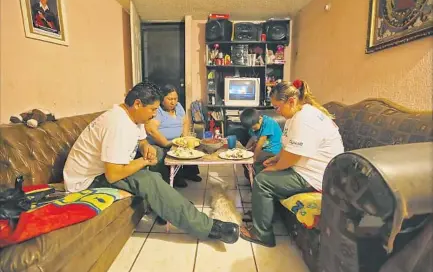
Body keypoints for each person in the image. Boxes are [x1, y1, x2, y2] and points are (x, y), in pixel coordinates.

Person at [63, 82, 239, 244]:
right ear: (138, 104)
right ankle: (209, 228)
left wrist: (146, 146)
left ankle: (170, 206)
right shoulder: (117, 124)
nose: (155, 114)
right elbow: (113, 174)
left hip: (105, 170)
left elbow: (141, 140)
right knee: (149, 180)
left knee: (157, 166)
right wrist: (143, 161)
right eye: (152, 110)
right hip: (86, 182)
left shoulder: (132, 116)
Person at [240, 79, 344, 247]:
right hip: (304, 169)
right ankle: (264, 213)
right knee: (260, 166)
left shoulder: (305, 119)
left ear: (291, 101)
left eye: (277, 107)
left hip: (316, 177)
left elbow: (293, 157)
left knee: (262, 180)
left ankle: (262, 235)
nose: (277, 111)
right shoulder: (295, 116)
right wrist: (275, 159)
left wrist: (276, 167)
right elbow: (288, 147)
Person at [145, 84, 201, 188]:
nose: (173, 102)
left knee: (190, 145)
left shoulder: (178, 107)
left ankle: (189, 173)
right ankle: (167, 181)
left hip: (176, 140)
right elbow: (151, 130)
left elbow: (185, 122)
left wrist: (185, 137)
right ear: (162, 99)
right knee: (161, 152)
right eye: (170, 99)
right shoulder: (158, 111)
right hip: (160, 143)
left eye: (175, 99)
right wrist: (166, 143)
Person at [240, 108, 282, 176]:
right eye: (250, 128)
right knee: (244, 158)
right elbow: (253, 138)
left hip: (274, 151)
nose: (252, 130)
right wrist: (245, 151)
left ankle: (259, 177)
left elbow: (260, 142)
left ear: (259, 119)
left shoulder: (268, 122)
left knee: (258, 159)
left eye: (254, 128)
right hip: (264, 150)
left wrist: (254, 158)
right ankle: (251, 176)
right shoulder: (252, 126)